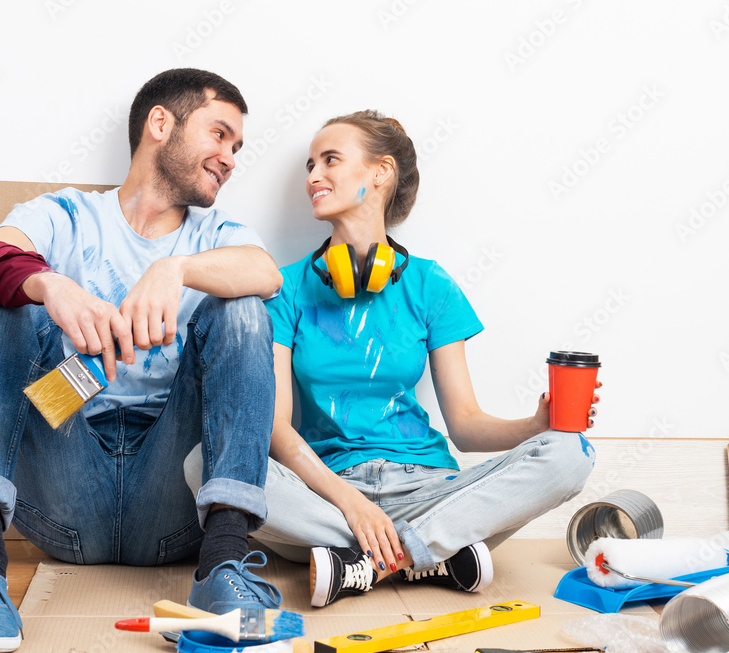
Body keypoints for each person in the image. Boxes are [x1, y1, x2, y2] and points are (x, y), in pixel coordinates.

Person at [0, 68, 283, 652]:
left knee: (244, 310)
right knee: (6, 309)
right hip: (63, 484)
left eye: (237, 147)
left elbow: (266, 272)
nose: (230, 157)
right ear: (160, 123)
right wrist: (50, 286)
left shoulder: (218, 233)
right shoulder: (67, 215)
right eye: (220, 134)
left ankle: (226, 564)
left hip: (174, 501)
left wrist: (174, 270)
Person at [249, 110, 600, 607]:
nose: (312, 177)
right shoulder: (284, 288)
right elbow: (276, 429)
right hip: (326, 494)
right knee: (208, 461)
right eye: (309, 165)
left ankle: (368, 563)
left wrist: (537, 424)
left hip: (429, 489)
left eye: (330, 160)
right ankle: (432, 553)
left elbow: (466, 425)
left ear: (380, 172)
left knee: (570, 453)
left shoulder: (430, 286)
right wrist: (351, 503)